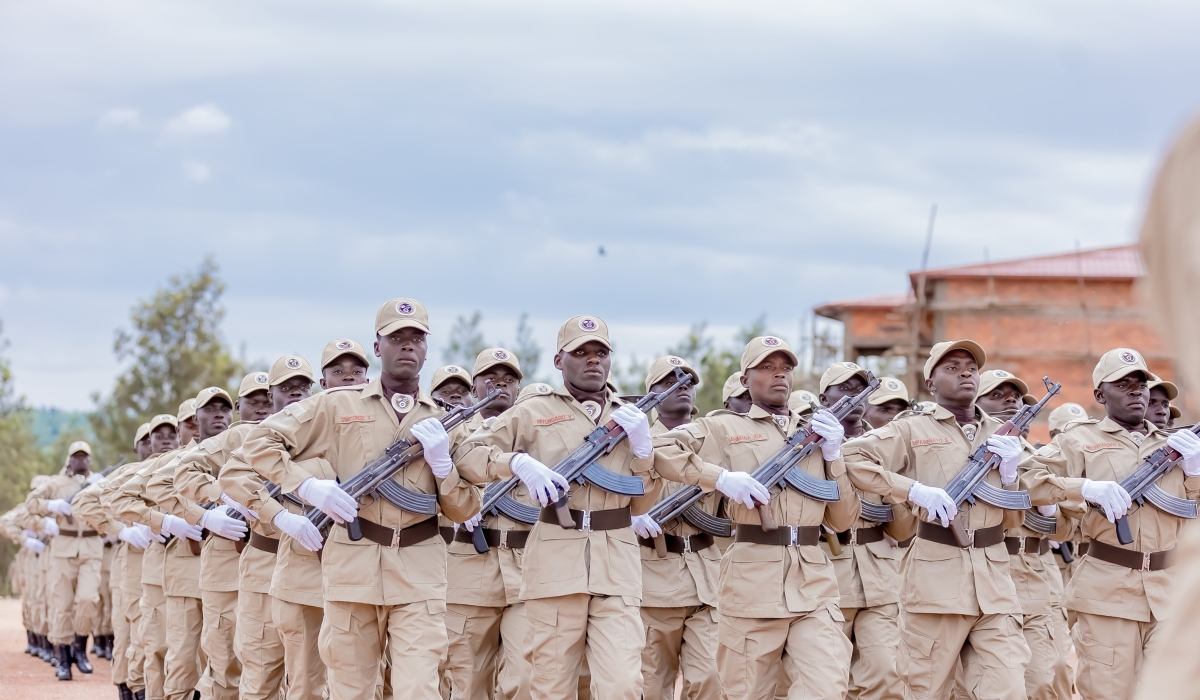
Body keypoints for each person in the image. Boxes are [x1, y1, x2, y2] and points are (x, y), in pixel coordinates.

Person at [240, 298, 482, 700]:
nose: (407, 345)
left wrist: (443, 467)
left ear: (426, 348)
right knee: (351, 690)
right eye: (396, 338)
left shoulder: (446, 420)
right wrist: (307, 486)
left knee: (418, 690)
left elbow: (464, 509)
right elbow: (259, 442)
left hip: (420, 569)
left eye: (416, 338)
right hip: (352, 566)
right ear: (378, 347)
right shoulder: (336, 404)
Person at [651, 336, 859, 700]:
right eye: (767, 367)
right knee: (748, 692)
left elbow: (842, 521)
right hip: (751, 582)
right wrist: (720, 478)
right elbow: (659, 447)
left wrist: (834, 455)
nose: (779, 375)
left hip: (813, 582)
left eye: (785, 368)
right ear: (745, 379)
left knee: (827, 687)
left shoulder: (816, 433)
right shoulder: (722, 429)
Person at [843, 340, 1043, 700]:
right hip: (935, 582)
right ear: (930, 383)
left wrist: (1011, 475)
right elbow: (851, 457)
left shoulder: (1003, 434)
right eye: (952, 368)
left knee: (1009, 689)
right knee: (927, 689)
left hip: (994, 583)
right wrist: (913, 490)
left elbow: (1015, 518)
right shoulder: (911, 429)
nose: (966, 373)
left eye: (971, 367)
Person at [1022, 348, 1200, 700]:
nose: (1136, 391)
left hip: (1170, 592)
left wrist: (1195, 472)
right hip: (1108, 591)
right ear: (1100, 395)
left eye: (1141, 384)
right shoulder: (1078, 439)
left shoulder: (1176, 445)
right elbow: (1025, 478)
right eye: (1122, 384)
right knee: (1109, 693)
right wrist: (1084, 487)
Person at [173, 373, 278, 700]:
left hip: (277, 562)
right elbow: (167, 483)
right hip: (225, 563)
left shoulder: (295, 437)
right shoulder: (228, 442)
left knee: (270, 662)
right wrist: (205, 515)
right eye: (253, 402)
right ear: (239, 406)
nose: (261, 409)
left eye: (266, 401)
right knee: (225, 658)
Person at [970, 370, 1072, 700]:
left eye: (1016, 398)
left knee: (1044, 678)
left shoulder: (1041, 460)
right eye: (997, 395)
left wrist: (1050, 510)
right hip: (981, 572)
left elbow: (1066, 531)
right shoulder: (965, 453)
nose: (1011, 403)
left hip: (1033, 573)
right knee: (980, 683)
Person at [817, 363, 915, 700]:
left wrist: (893, 487)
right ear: (823, 398)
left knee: (887, 675)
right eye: (844, 389)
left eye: (860, 389)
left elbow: (902, 531)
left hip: (879, 577)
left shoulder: (885, 448)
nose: (854, 396)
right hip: (826, 575)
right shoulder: (805, 444)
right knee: (826, 681)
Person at [440, 347, 531, 700]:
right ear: (474, 386)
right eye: (490, 379)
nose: (500, 385)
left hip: (526, 573)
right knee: (468, 684)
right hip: (468, 572)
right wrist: (461, 499)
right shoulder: (453, 433)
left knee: (526, 679)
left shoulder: (537, 435)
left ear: (518, 387)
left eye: (508, 379)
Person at [630, 356, 721, 700]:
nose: (681, 387)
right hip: (653, 580)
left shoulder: (714, 442)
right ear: (651, 394)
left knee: (712, 678)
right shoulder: (635, 444)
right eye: (669, 382)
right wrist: (629, 519)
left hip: (706, 577)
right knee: (651, 684)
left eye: (687, 382)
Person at [146, 387, 236, 700]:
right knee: (183, 658)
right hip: (187, 569)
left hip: (235, 567)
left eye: (223, 409)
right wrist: (180, 520)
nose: (218, 416)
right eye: (209, 410)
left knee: (229, 656)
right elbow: (151, 487)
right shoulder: (179, 460)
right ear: (194, 421)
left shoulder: (243, 449)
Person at [26, 440, 105, 680]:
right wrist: (51, 505)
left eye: (84, 456)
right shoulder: (55, 483)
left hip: (91, 547)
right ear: (69, 460)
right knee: (62, 606)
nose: (80, 460)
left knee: (88, 600)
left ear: (90, 460)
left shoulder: (99, 483)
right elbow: (31, 503)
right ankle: (63, 659)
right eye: (76, 456)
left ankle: (79, 648)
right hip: (63, 548)